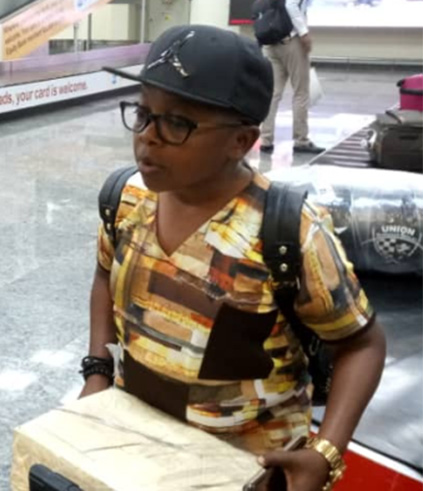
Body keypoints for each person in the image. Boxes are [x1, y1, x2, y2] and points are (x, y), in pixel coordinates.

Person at [83, 25, 386, 491]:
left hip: (246, 471)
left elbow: (361, 344)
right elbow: (105, 275)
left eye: (177, 123)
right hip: (138, 449)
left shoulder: (289, 233)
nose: (148, 137)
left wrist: (325, 451)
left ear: (241, 142)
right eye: (143, 113)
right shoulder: (126, 199)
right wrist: (99, 370)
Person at [258, 0, 324, 154]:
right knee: (301, 92)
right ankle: (301, 140)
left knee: (273, 94)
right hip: (291, 42)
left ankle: (266, 140)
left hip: (271, 43)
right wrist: (304, 32)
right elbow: (291, 4)